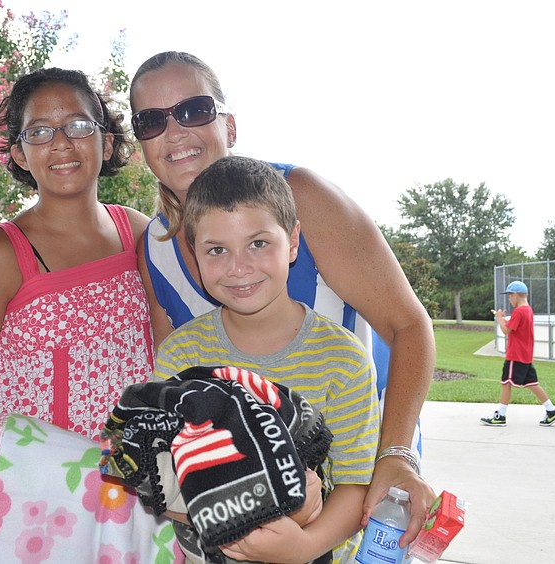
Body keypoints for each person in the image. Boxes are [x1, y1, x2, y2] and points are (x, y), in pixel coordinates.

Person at [129, 51, 436, 544]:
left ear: (229, 125)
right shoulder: (156, 247)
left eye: (193, 110)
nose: (175, 132)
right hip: (241, 502)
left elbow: (409, 326)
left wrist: (396, 454)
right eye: (151, 120)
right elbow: (176, 402)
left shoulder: (300, 197)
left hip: (356, 476)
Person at [0, 68, 155, 530]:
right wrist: (64, 466)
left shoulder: (137, 232)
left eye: (78, 125)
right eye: (40, 132)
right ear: (20, 154)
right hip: (38, 501)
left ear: (106, 142)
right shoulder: (2, 254)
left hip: (138, 493)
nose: (61, 143)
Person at [152, 155, 378, 563]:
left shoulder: (343, 360)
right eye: (216, 250)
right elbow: (154, 475)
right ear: (194, 252)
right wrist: (274, 508)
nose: (239, 268)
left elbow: (355, 485)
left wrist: (304, 545)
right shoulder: (180, 356)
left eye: (258, 243)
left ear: (292, 241)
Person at [481, 281, 555, 427]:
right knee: (532, 384)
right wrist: (504, 320)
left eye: (509, 296)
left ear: (515, 295)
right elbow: (514, 326)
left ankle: (500, 416)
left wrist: (499, 319)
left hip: (515, 355)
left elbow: (506, 330)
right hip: (525, 355)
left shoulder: (519, 311)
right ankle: (552, 411)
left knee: (506, 383)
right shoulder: (528, 310)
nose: (509, 299)